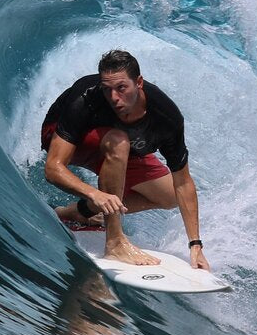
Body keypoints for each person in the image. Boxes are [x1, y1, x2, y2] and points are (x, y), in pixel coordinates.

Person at [40, 49, 210, 270]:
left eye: (121, 88)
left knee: (169, 195)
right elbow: (53, 168)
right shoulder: (86, 96)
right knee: (119, 140)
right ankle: (114, 241)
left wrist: (195, 245)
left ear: (139, 82)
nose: (113, 98)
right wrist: (95, 192)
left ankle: (79, 212)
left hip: (121, 146)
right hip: (66, 139)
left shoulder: (165, 117)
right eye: (107, 89)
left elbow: (183, 182)